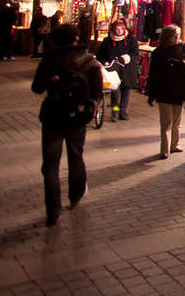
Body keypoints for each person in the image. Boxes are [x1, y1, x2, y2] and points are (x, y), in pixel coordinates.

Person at [31, 24, 102, 226]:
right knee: (76, 155)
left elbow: (37, 88)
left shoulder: (50, 60)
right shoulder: (88, 61)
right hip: (77, 118)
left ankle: (53, 210)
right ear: (76, 38)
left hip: (52, 117)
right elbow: (97, 91)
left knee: (50, 165)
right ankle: (75, 195)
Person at [146, 25, 185, 159]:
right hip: (164, 90)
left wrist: (183, 63)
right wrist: (151, 93)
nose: (177, 38)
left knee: (177, 120)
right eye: (175, 36)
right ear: (167, 37)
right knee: (166, 122)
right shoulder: (159, 52)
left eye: (178, 35)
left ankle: (175, 145)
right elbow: (153, 74)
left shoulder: (184, 47)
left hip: (180, 89)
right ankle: (164, 149)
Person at [98, 19, 139, 120]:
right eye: (117, 29)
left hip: (127, 69)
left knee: (126, 91)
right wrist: (104, 62)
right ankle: (115, 111)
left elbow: (135, 53)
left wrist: (127, 58)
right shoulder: (107, 41)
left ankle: (123, 111)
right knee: (115, 92)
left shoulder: (131, 39)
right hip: (113, 70)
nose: (119, 31)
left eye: (121, 29)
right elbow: (100, 54)